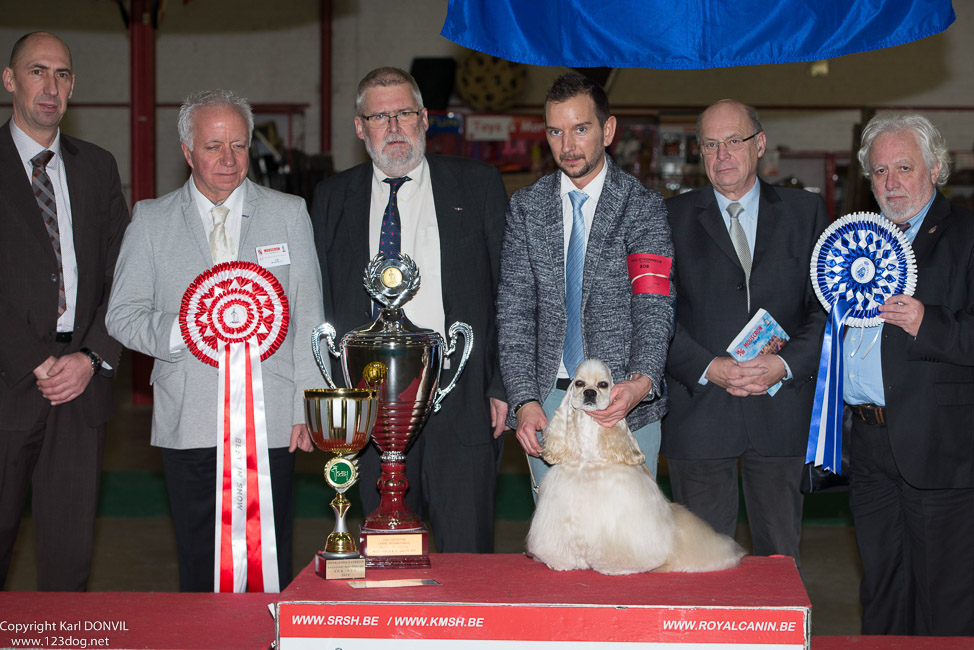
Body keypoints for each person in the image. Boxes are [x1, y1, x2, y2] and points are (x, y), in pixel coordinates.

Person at [106, 89, 323, 592]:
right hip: (190, 419)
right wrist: (187, 327)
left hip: (273, 422)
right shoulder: (150, 220)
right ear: (186, 151)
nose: (228, 159)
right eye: (213, 146)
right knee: (199, 565)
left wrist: (304, 407)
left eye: (240, 145)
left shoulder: (290, 212)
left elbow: (310, 315)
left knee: (271, 558)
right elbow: (122, 315)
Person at [310, 67, 506, 553]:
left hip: (462, 396)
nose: (394, 127)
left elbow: (511, 293)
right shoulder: (331, 198)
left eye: (403, 113)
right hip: (372, 405)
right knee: (385, 553)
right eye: (380, 116)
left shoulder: (478, 185)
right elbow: (317, 303)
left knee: (467, 555)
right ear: (360, 127)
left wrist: (506, 387)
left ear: (424, 118)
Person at [663, 100, 828, 562]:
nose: (723, 155)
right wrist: (707, 366)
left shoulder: (806, 212)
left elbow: (827, 312)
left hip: (781, 415)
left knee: (779, 562)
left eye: (734, 141)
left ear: (759, 144)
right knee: (699, 567)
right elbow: (654, 316)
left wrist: (784, 363)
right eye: (710, 145)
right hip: (700, 412)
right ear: (699, 152)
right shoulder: (667, 217)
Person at [497, 72, 674, 496]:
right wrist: (524, 401)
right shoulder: (526, 208)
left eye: (580, 129)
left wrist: (641, 382)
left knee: (627, 542)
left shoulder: (643, 207)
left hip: (624, 403)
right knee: (562, 543)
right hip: (549, 403)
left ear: (607, 130)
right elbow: (514, 313)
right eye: (556, 132)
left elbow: (654, 306)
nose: (568, 146)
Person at [0, 32, 128, 591]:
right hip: (8, 380)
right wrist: (35, 359)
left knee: (69, 556)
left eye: (62, 74)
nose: (51, 87)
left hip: (80, 384)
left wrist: (91, 357)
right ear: (9, 80)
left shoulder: (97, 167)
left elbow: (122, 278)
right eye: (37, 71)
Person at [843, 112, 974, 636]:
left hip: (937, 446)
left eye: (904, 167)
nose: (891, 183)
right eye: (879, 171)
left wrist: (928, 322)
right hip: (869, 445)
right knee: (881, 591)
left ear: (936, 169)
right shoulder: (854, 241)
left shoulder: (965, 234)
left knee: (944, 600)